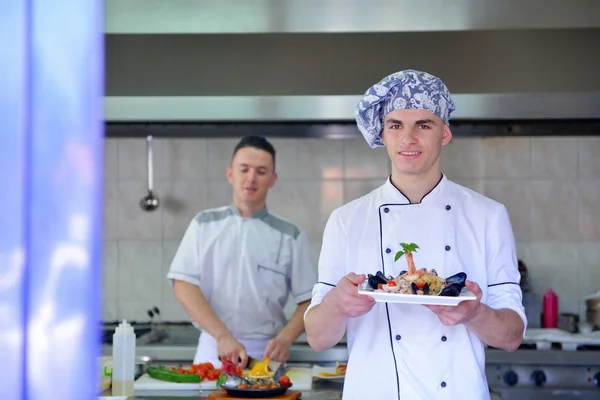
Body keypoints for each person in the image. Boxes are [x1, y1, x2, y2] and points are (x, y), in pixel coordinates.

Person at [304, 70, 527, 400]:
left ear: (445, 134)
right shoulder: (346, 221)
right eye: (396, 125)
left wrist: (474, 313)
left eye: (423, 124)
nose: (408, 138)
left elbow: (511, 336)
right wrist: (337, 304)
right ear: (383, 133)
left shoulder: (488, 216)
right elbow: (318, 338)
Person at [167, 135, 317, 368]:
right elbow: (183, 284)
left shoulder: (290, 235)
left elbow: (310, 299)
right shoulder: (203, 224)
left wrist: (286, 338)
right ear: (230, 174)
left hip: (267, 354)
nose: (251, 178)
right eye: (244, 169)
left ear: (273, 179)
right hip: (214, 349)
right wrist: (222, 336)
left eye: (261, 171)